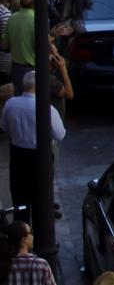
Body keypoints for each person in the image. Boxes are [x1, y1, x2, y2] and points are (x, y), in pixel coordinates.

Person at [1, 71, 66, 220]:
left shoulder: (11, 104)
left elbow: (4, 127)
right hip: (40, 157)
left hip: (18, 155)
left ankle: (23, 235)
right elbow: (60, 134)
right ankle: (40, 237)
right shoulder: (47, 108)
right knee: (41, 198)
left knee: (19, 197)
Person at [0, 220, 55, 284]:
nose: (33, 236)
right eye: (31, 232)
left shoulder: (4, 263)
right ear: (24, 239)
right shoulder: (41, 264)